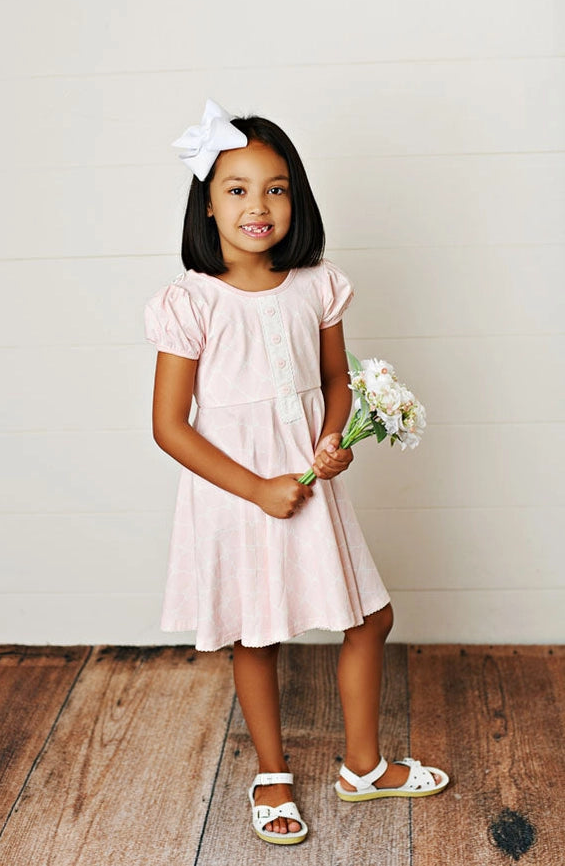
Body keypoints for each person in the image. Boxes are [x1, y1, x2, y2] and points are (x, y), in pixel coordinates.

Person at [145, 100, 449, 846]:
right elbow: (169, 425)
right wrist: (255, 488)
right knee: (256, 633)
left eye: (275, 188)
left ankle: (363, 765)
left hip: (309, 483)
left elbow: (336, 379)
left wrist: (332, 437)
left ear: (297, 197)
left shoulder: (317, 284)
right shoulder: (192, 301)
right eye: (237, 189)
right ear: (207, 204)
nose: (258, 205)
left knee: (370, 617)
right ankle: (272, 773)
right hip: (238, 491)